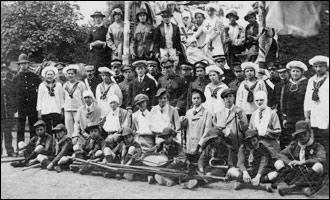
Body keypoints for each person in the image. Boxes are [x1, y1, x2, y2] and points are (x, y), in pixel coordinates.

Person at [274, 121, 326, 196]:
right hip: (297, 173)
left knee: (318, 166)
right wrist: (289, 162)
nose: (302, 136)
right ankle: (302, 187)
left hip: (311, 173)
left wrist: (304, 162)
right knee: (278, 162)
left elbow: (322, 158)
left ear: (310, 133)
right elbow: (279, 154)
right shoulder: (294, 145)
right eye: (299, 135)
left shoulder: (317, 146)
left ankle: (293, 187)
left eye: (304, 133)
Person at [304, 55, 329, 172]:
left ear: (326, 67)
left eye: (321, 66)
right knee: (317, 142)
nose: (318, 69)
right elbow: (307, 99)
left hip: (326, 115)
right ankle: (320, 167)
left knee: (326, 141)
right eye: (316, 66)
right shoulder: (311, 80)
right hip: (315, 115)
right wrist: (307, 116)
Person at [213, 88, 249, 164]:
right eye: (226, 97)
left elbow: (245, 127)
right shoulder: (219, 113)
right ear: (223, 99)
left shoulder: (240, 111)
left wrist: (240, 117)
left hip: (236, 142)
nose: (228, 99)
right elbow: (215, 126)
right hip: (224, 143)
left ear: (234, 97)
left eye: (230, 96)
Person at [13, 54, 41, 145]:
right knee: (20, 128)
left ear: (28, 64)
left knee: (33, 126)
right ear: (19, 65)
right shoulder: (16, 78)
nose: (23, 66)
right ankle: (20, 147)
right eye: (21, 64)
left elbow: (41, 89)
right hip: (21, 106)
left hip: (32, 106)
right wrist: (15, 109)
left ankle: (33, 145)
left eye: (24, 63)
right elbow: (13, 94)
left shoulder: (34, 77)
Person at [249, 91, 281, 158]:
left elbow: (278, 131)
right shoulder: (254, 114)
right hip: (257, 144)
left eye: (261, 100)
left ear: (265, 100)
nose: (259, 102)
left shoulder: (272, 113)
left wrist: (265, 132)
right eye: (257, 100)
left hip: (270, 144)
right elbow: (250, 130)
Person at [182, 89, 212, 160]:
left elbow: (207, 131)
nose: (196, 100)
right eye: (194, 98)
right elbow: (185, 129)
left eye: (198, 98)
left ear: (201, 99)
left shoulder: (207, 113)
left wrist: (200, 144)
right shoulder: (189, 112)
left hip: (200, 145)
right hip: (189, 145)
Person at [283, 61, 308, 139]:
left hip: (301, 115)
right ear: (290, 72)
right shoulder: (287, 85)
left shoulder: (306, 83)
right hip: (290, 115)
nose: (295, 73)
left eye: (297, 71)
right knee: (291, 136)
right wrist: (285, 117)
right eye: (293, 71)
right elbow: (284, 100)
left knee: (302, 134)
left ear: (302, 73)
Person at [37, 66, 64, 135]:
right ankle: (48, 144)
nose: (49, 76)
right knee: (47, 129)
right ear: (45, 76)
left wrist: (61, 109)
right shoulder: (42, 85)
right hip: (46, 110)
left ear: (54, 75)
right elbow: (39, 99)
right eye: (48, 74)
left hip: (56, 109)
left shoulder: (58, 85)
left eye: (51, 74)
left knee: (57, 128)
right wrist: (39, 111)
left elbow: (61, 97)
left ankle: (58, 143)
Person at [62, 65, 87, 137]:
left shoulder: (80, 84)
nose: (70, 75)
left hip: (78, 108)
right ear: (66, 75)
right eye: (68, 74)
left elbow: (84, 96)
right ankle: (70, 142)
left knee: (79, 126)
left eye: (72, 73)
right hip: (68, 109)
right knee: (68, 127)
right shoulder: (65, 85)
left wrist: (84, 107)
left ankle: (80, 141)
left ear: (75, 74)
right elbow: (63, 97)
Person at [271, 62, 291, 149]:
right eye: (280, 73)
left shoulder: (292, 84)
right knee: (282, 137)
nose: (282, 74)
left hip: (290, 114)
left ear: (289, 72)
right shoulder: (277, 86)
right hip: (280, 115)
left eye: (284, 72)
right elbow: (275, 101)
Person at [1, 63, 16, 156]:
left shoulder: (10, 83)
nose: (2, 73)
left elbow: (14, 97)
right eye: (1, 71)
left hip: (8, 113)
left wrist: (13, 110)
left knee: (8, 132)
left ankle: (10, 151)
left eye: (4, 71)